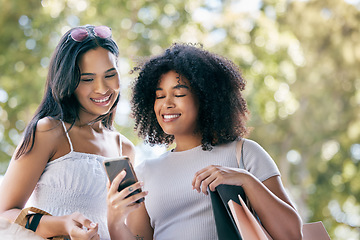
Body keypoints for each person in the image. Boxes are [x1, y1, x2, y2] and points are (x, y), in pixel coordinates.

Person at [106, 43, 303, 240]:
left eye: (179, 94)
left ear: (205, 97)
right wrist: (114, 221)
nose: (167, 103)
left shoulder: (244, 153)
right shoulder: (146, 171)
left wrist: (245, 180)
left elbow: (292, 234)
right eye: (160, 96)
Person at [0, 25, 135, 240]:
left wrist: (116, 221)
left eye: (110, 74)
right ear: (69, 81)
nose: (102, 88)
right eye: (87, 79)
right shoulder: (48, 131)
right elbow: (4, 213)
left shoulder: (124, 148)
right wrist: (61, 225)